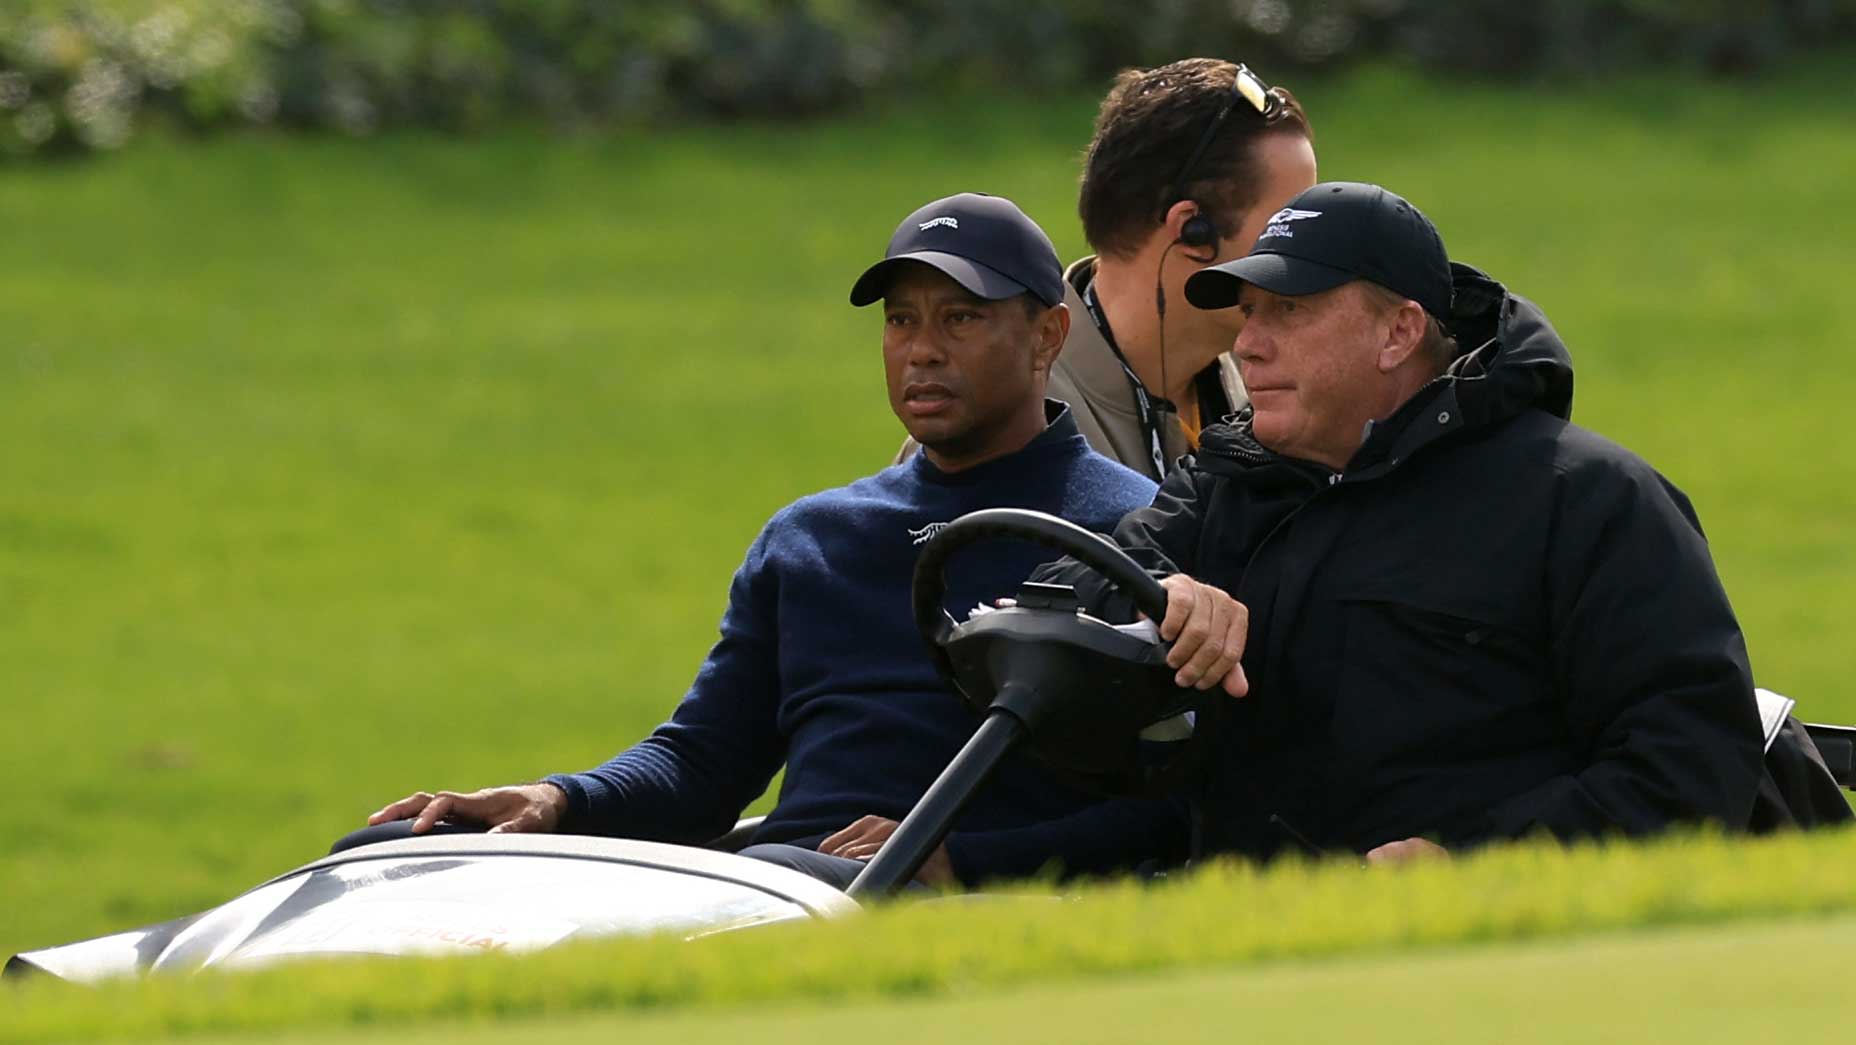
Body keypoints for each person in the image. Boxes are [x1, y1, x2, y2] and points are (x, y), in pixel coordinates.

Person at [356, 192, 1189, 889]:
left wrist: (957, 861)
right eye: (901, 322)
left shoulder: (1137, 530)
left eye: (961, 319)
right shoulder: (812, 537)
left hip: (939, 900)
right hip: (779, 882)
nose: (922, 351)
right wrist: (555, 800)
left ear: (1047, 335)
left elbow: (1173, 806)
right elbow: (702, 763)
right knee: (388, 860)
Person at [1035, 181, 1765, 864]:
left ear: (1399, 333)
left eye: (1289, 310)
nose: (1247, 344)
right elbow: (1050, 608)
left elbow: (1692, 762)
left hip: (1492, 962)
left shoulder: (1589, 501)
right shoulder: (1223, 486)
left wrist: (1475, 864)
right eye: (1248, 312)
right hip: (1249, 961)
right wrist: (1154, 597)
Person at [892, 58, 1318, 480]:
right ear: (1191, 231)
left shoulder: (1264, 380)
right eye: (1285, 225)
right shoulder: (1000, 421)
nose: (1311, 257)